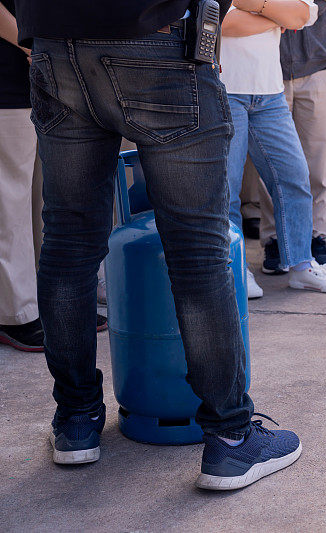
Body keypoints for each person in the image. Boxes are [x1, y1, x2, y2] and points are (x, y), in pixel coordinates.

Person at [16, 0, 301, 491]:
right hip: (154, 36)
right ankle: (231, 438)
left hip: (55, 40)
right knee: (197, 253)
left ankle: (76, 420)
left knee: (67, 242)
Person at [221, 0, 326, 294]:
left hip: (270, 92)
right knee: (227, 188)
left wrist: (257, 7)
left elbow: (304, 14)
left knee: (294, 179)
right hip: (226, 88)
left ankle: (302, 266)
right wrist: (276, 15)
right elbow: (223, 23)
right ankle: (236, 269)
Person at [259, 0, 326, 270]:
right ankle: (274, 239)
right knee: (272, 162)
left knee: (317, 162)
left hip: (317, 63)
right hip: (271, 65)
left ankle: (317, 235)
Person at [0, 0, 41, 352]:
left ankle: (51, 303)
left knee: (48, 204)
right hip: (8, 82)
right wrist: (35, 44)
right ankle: (16, 314)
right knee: (10, 203)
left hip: (50, 78)